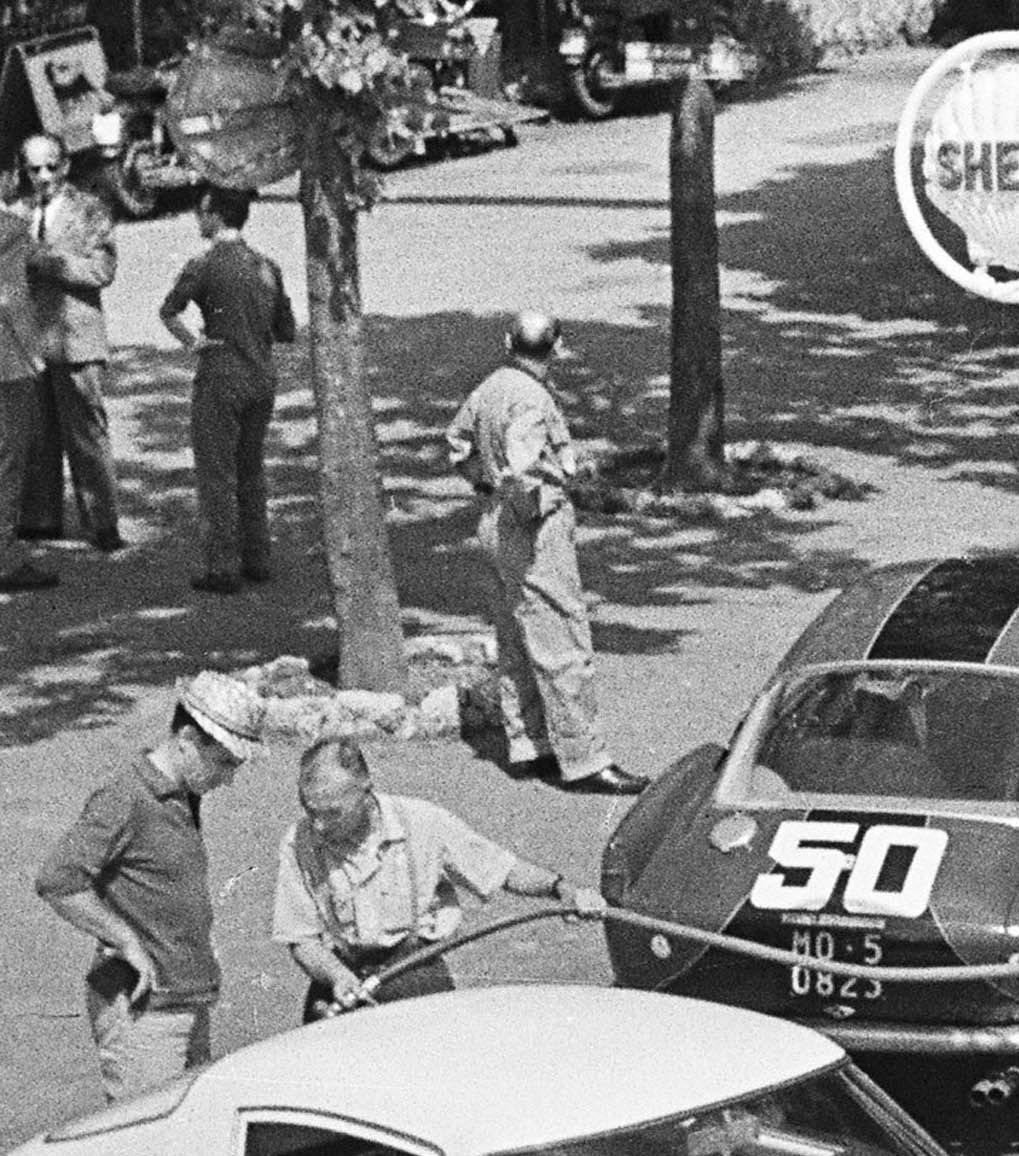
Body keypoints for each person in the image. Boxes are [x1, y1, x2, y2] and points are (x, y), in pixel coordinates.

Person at [35, 672, 266, 1102]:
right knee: (147, 1135)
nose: (228, 779)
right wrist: (123, 939)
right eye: (223, 763)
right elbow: (58, 880)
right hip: (143, 1011)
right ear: (187, 739)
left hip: (185, 1000)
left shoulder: (183, 796)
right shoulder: (125, 797)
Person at [445, 311, 649, 794]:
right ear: (557, 347)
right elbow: (523, 468)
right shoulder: (532, 397)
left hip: (495, 520)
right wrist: (528, 505)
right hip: (533, 527)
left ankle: (529, 743)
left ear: (507, 342)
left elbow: (458, 443)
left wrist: (484, 484)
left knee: (515, 637)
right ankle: (585, 759)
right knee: (562, 641)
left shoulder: (490, 387)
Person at [272, 737, 607, 1021]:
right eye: (309, 810)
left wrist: (562, 888)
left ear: (366, 790)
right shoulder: (299, 840)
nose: (319, 826)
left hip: (412, 972)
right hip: (340, 975)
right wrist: (336, 976)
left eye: (332, 813)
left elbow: (502, 869)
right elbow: (301, 939)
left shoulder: (423, 823)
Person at [159, 186, 298, 594]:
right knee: (251, 468)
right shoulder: (267, 266)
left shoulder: (204, 265)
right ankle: (258, 557)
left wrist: (194, 342)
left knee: (216, 473)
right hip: (261, 376)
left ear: (215, 214)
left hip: (221, 375)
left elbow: (169, 311)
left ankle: (222, 565)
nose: (198, 218)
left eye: (201, 212)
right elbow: (286, 329)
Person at [11, 135, 121, 552]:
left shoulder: (90, 209)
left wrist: (50, 263)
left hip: (76, 338)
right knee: (37, 434)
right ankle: (40, 518)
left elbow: (102, 270)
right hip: (31, 340)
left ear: (66, 166)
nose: (43, 176)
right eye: (34, 169)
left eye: (51, 167)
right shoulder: (18, 214)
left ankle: (102, 521)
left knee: (86, 433)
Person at [0, 201, 54, 590]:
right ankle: (3, 560)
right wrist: (34, 355)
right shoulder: (12, 229)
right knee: (7, 463)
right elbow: (10, 299)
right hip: (7, 363)